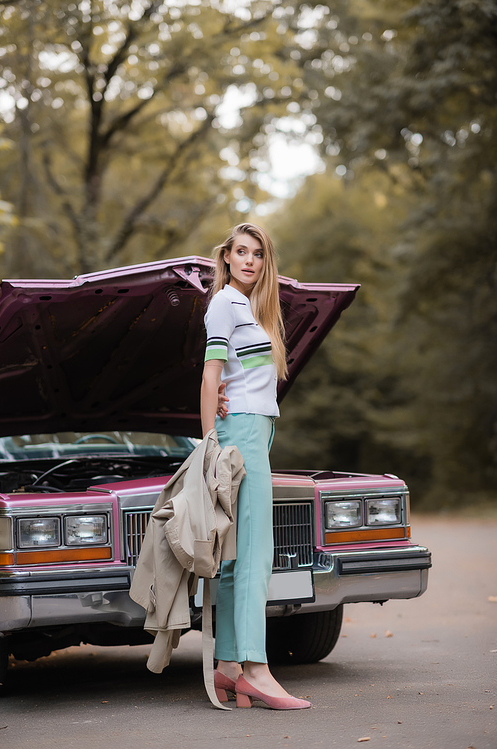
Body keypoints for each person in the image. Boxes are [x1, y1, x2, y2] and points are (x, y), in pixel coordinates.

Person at [200, 222, 311, 710]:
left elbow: (234, 376)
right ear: (225, 257)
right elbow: (210, 374)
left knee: (236, 555)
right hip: (240, 435)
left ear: (266, 262)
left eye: (258, 253)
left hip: (253, 429)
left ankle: (227, 665)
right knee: (254, 554)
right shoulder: (225, 301)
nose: (249, 260)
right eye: (240, 252)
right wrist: (210, 445)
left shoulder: (251, 308)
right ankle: (256, 669)